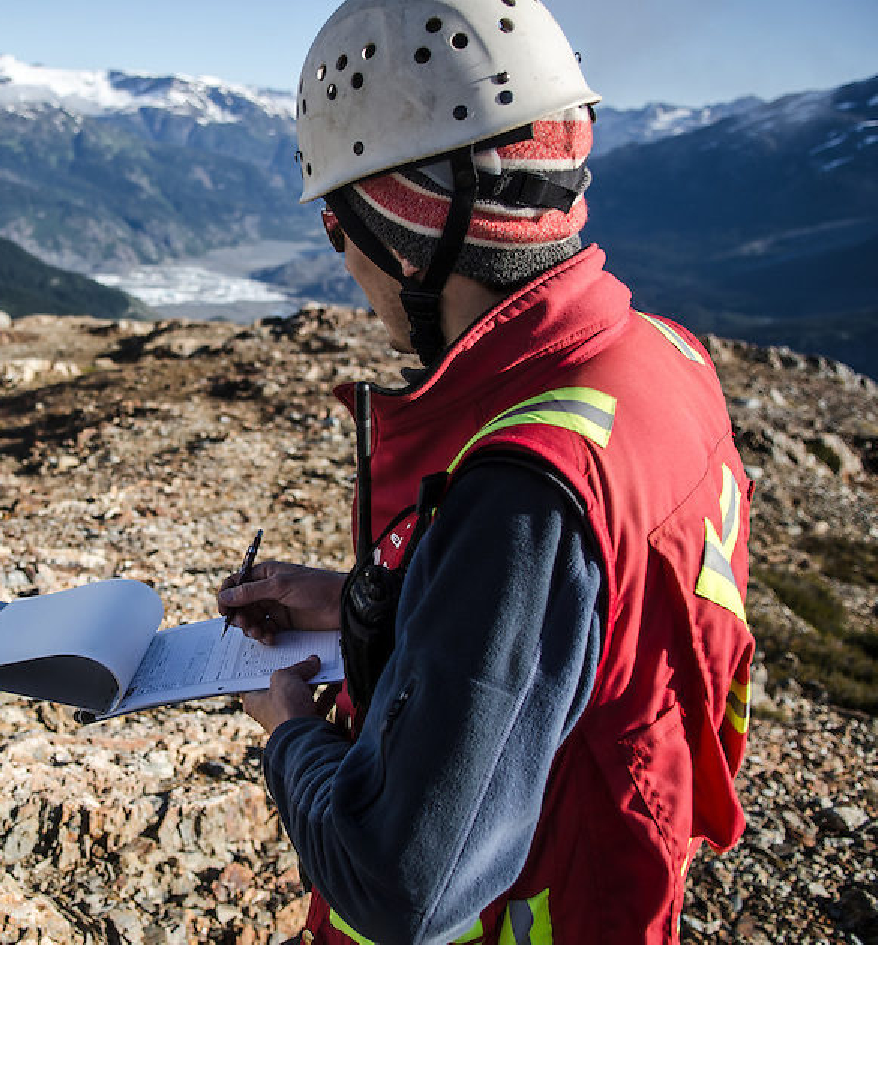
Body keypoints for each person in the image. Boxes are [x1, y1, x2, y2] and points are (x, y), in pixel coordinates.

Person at [217, 0, 754, 944]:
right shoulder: (661, 358)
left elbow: (401, 883)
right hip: (618, 873)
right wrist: (362, 601)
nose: (346, 267)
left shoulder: (523, 486)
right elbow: (590, 630)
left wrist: (288, 725)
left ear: (402, 228)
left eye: (339, 232)